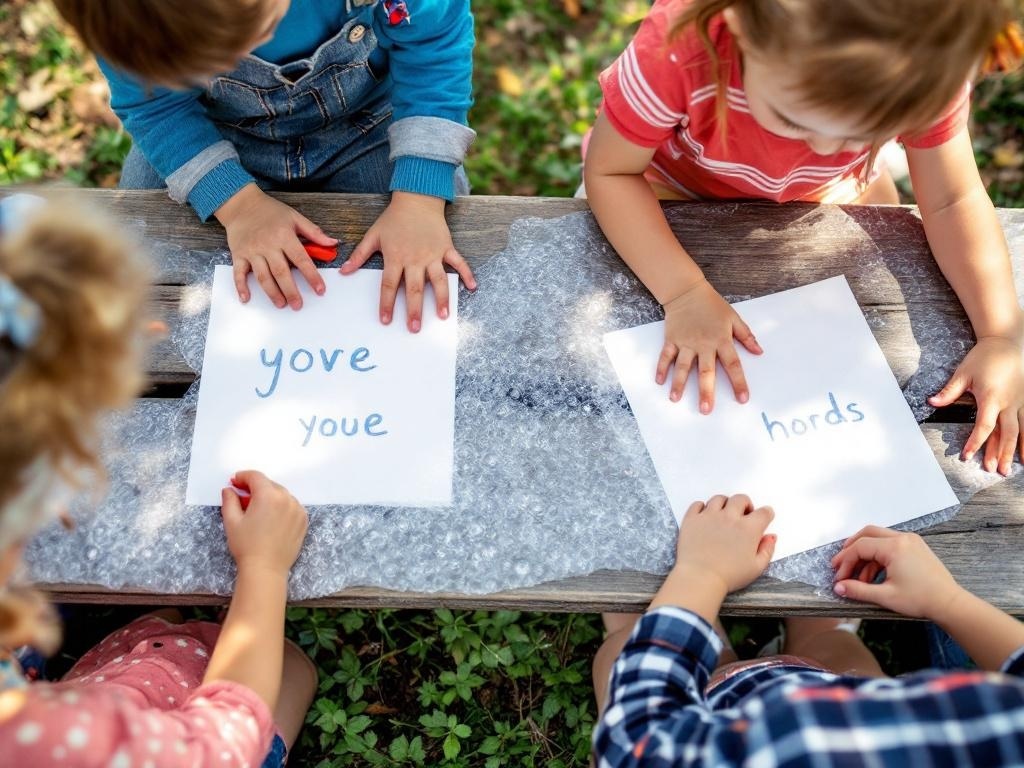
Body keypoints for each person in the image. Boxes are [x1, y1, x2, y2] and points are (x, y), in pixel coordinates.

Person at [583, 0, 1024, 475]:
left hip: (830, 193)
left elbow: (952, 200)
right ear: (745, 35)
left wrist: (1002, 333)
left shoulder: (925, 63)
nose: (825, 146)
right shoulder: (676, 51)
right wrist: (684, 292)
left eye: (867, 132)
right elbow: (610, 174)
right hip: (668, 189)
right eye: (796, 121)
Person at [0, 197, 316, 766]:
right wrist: (264, 571)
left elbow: (19, 227)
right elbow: (223, 743)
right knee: (290, 669)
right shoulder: (55, 738)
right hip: (150, 730)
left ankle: (138, 634)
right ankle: (153, 641)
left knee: (149, 627)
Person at [53, 0, 478, 332]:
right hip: (211, 134)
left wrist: (419, 201)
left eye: (242, 40)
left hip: (369, 126)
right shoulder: (123, 14)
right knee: (139, 270)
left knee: (433, 267)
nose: (234, 61)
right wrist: (238, 206)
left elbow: (435, 51)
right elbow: (156, 109)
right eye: (205, 64)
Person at [592, 494, 1024, 766]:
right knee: (832, 642)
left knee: (625, 646)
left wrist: (700, 573)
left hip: (706, 716)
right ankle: (813, 636)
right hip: (836, 682)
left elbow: (634, 740)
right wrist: (946, 601)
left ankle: (702, 640)